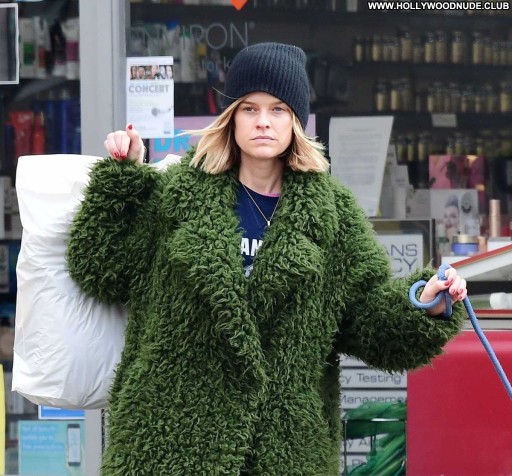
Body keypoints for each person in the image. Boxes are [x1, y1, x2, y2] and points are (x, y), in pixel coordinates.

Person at [66, 42, 468, 475]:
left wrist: (424, 303)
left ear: (296, 121)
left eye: (278, 109)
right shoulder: (177, 196)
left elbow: (367, 320)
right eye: (249, 108)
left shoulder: (332, 213)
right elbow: (100, 268)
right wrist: (123, 177)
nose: (263, 121)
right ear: (231, 117)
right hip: (169, 441)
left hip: (284, 447)